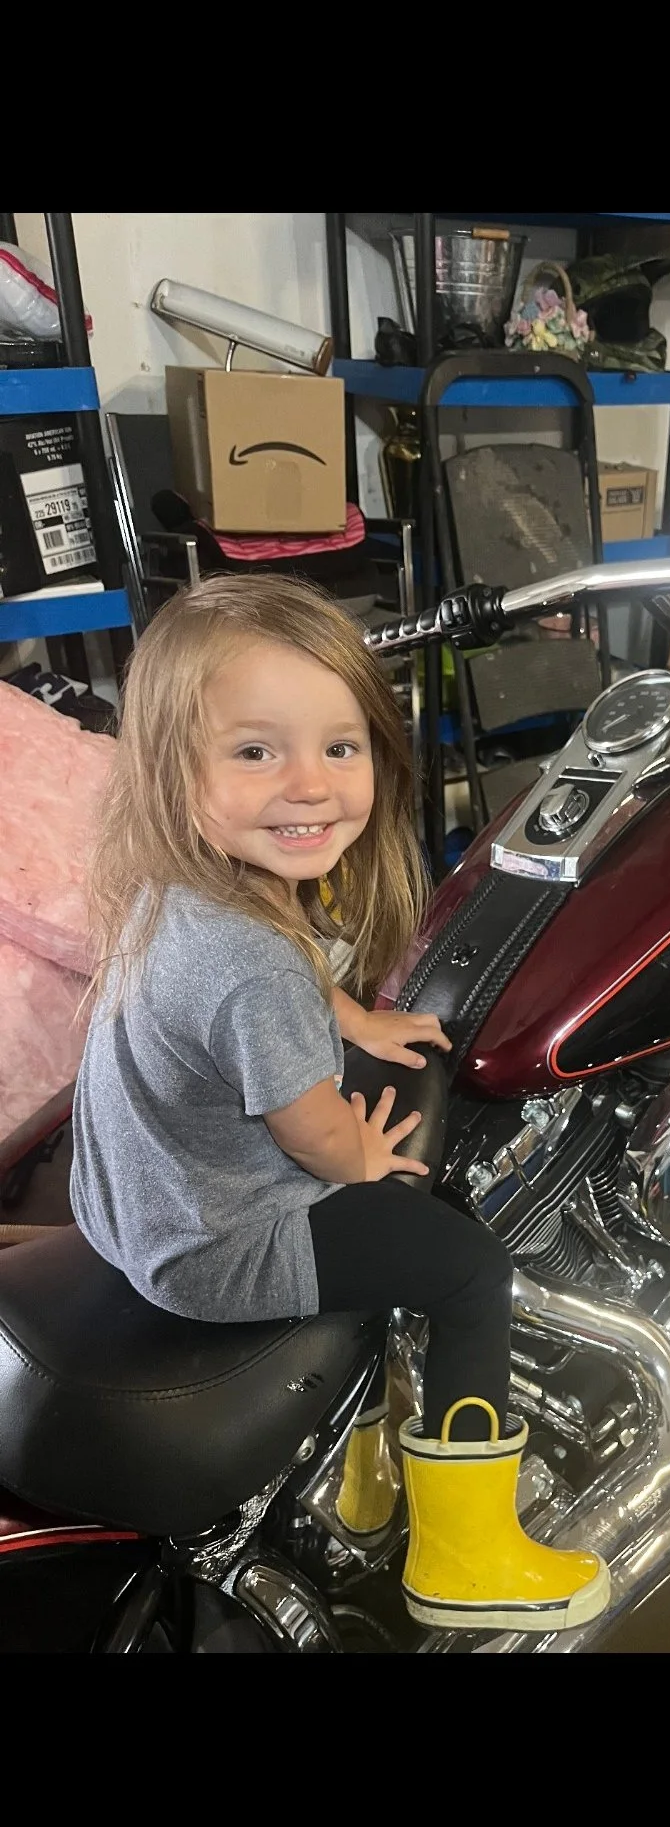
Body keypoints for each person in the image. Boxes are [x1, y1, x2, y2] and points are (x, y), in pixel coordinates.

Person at [69, 573, 608, 1634]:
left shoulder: (188, 887)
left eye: (341, 745)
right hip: (217, 1246)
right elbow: (311, 1130)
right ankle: (464, 1550)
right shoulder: (252, 968)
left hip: (130, 1207)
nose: (310, 785)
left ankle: (364, 1446)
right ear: (175, 771)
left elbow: (276, 978)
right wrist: (357, 1159)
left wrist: (354, 1020)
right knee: (464, 1266)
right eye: (256, 750)